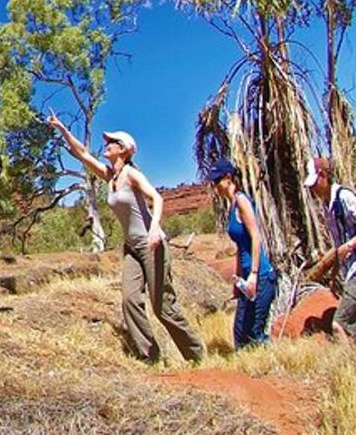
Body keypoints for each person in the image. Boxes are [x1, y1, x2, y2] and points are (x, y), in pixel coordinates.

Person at [48, 110, 205, 363]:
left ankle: (196, 355)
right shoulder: (110, 176)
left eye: (111, 142)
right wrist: (62, 129)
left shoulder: (131, 174)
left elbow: (157, 197)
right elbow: (83, 154)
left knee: (162, 307)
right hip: (132, 247)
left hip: (151, 244)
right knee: (130, 299)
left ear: (124, 149)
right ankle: (149, 356)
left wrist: (154, 228)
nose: (106, 145)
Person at [304, 156, 356, 357]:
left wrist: (350, 246)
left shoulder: (344, 197)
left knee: (340, 325)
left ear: (323, 176)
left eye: (314, 183)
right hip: (349, 271)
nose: (313, 189)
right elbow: (339, 245)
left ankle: (350, 375)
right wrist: (335, 274)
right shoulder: (327, 205)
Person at [207, 157, 277, 350]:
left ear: (228, 178)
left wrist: (253, 274)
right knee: (240, 334)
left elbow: (256, 237)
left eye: (217, 181)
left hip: (261, 276)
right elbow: (241, 246)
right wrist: (238, 280)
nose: (215, 187)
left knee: (254, 333)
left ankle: (270, 366)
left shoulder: (242, 201)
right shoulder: (232, 207)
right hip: (246, 280)